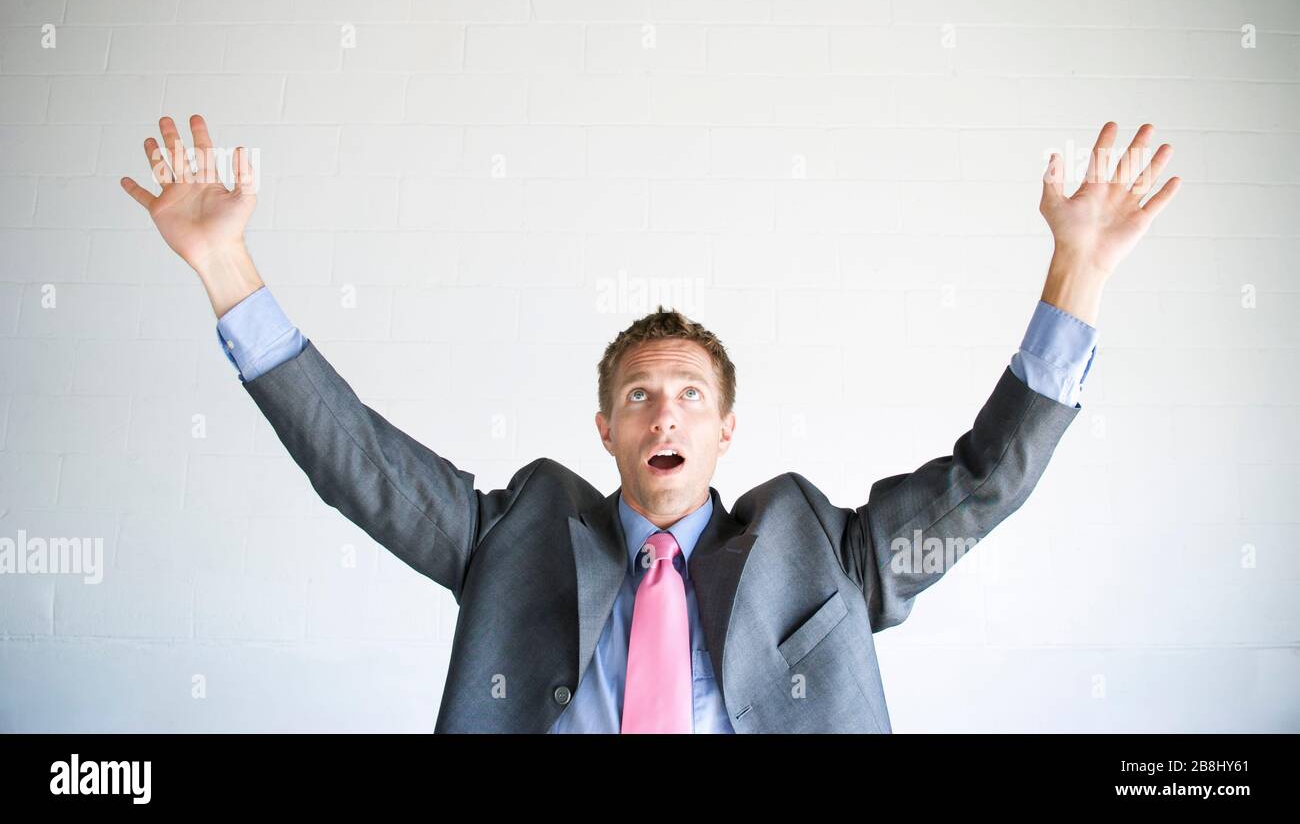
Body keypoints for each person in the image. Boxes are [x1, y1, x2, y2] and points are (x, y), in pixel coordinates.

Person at [120, 115, 1180, 733]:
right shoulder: (516, 532)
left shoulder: (822, 545)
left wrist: (1076, 268)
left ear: (726, 431)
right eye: (637, 394)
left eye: (687, 395)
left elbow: (984, 481)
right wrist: (226, 268)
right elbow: (362, 466)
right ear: (604, 428)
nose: (661, 409)